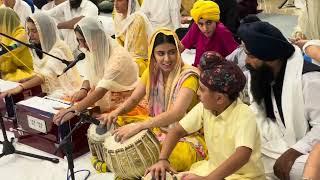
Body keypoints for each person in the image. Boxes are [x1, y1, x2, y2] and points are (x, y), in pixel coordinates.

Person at [99, 28, 207, 172]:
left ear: (178, 51)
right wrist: (115, 112)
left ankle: (120, 168)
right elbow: (134, 99)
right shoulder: (151, 72)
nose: (167, 59)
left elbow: (177, 113)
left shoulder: (189, 76)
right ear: (153, 54)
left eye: (172, 52)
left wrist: (140, 126)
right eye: (161, 53)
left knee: (162, 157)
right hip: (157, 126)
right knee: (115, 123)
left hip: (184, 134)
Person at [146, 52, 265, 180]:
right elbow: (177, 131)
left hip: (244, 177)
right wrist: (163, 160)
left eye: (202, 89)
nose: (197, 93)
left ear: (219, 98)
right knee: (152, 177)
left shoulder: (244, 114)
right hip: (212, 169)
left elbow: (242, 155)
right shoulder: (205, 108)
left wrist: (207, 179)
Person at [238, 21, 320, 180]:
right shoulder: (260, 73)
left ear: (270, 57)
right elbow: (257, 111)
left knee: (299, 168)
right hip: (276, 141)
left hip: (310, 150)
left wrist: (295, 150)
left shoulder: (309, 79)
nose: (246, 61)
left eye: (251, 55)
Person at [53, 17, 140, 125]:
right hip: (101, 97)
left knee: (79, 114)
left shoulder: (118, 58)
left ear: (96, 37)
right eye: (79, 40)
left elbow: (101, 91)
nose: (82, 45)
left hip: (123, 102)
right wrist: (84, 90)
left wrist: (73, 110)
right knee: (68, 102)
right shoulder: (95, 48)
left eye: (84, 40)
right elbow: (90, 75)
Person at [0, 12, 82, 98]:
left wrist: (21, 87)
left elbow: (46, 75)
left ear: (45, 31)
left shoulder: (59, 49)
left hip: (64, 92)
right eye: (28, 30)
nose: (30, 35)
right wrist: (26, 80)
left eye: (34, 31)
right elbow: (40, 73)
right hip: (45, 90)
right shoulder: (38, 47)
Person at [181, 0, 238, 67]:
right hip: (198, 69)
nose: (205, 28)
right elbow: (181, 46)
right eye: (201, 24)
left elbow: (236, 55)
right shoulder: (196, 26)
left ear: (215, 21)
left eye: (209, 23)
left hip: (218, 73)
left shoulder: (222, 31)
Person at [113, 0, 152, 76]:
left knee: (131, 66)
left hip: (140, 60)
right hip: (125, 54)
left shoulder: (138, 19)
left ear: (129, 2)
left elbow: (137, 53)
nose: (115, 4)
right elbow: (118, 44)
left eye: (120, 0)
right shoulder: (117, 17)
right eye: (114, 0)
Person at [0, 7, 33, 81]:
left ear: (6, 21)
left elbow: (8, 52)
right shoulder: (4, 33)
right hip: (8, 72)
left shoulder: (22, 34)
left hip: (23, 72)